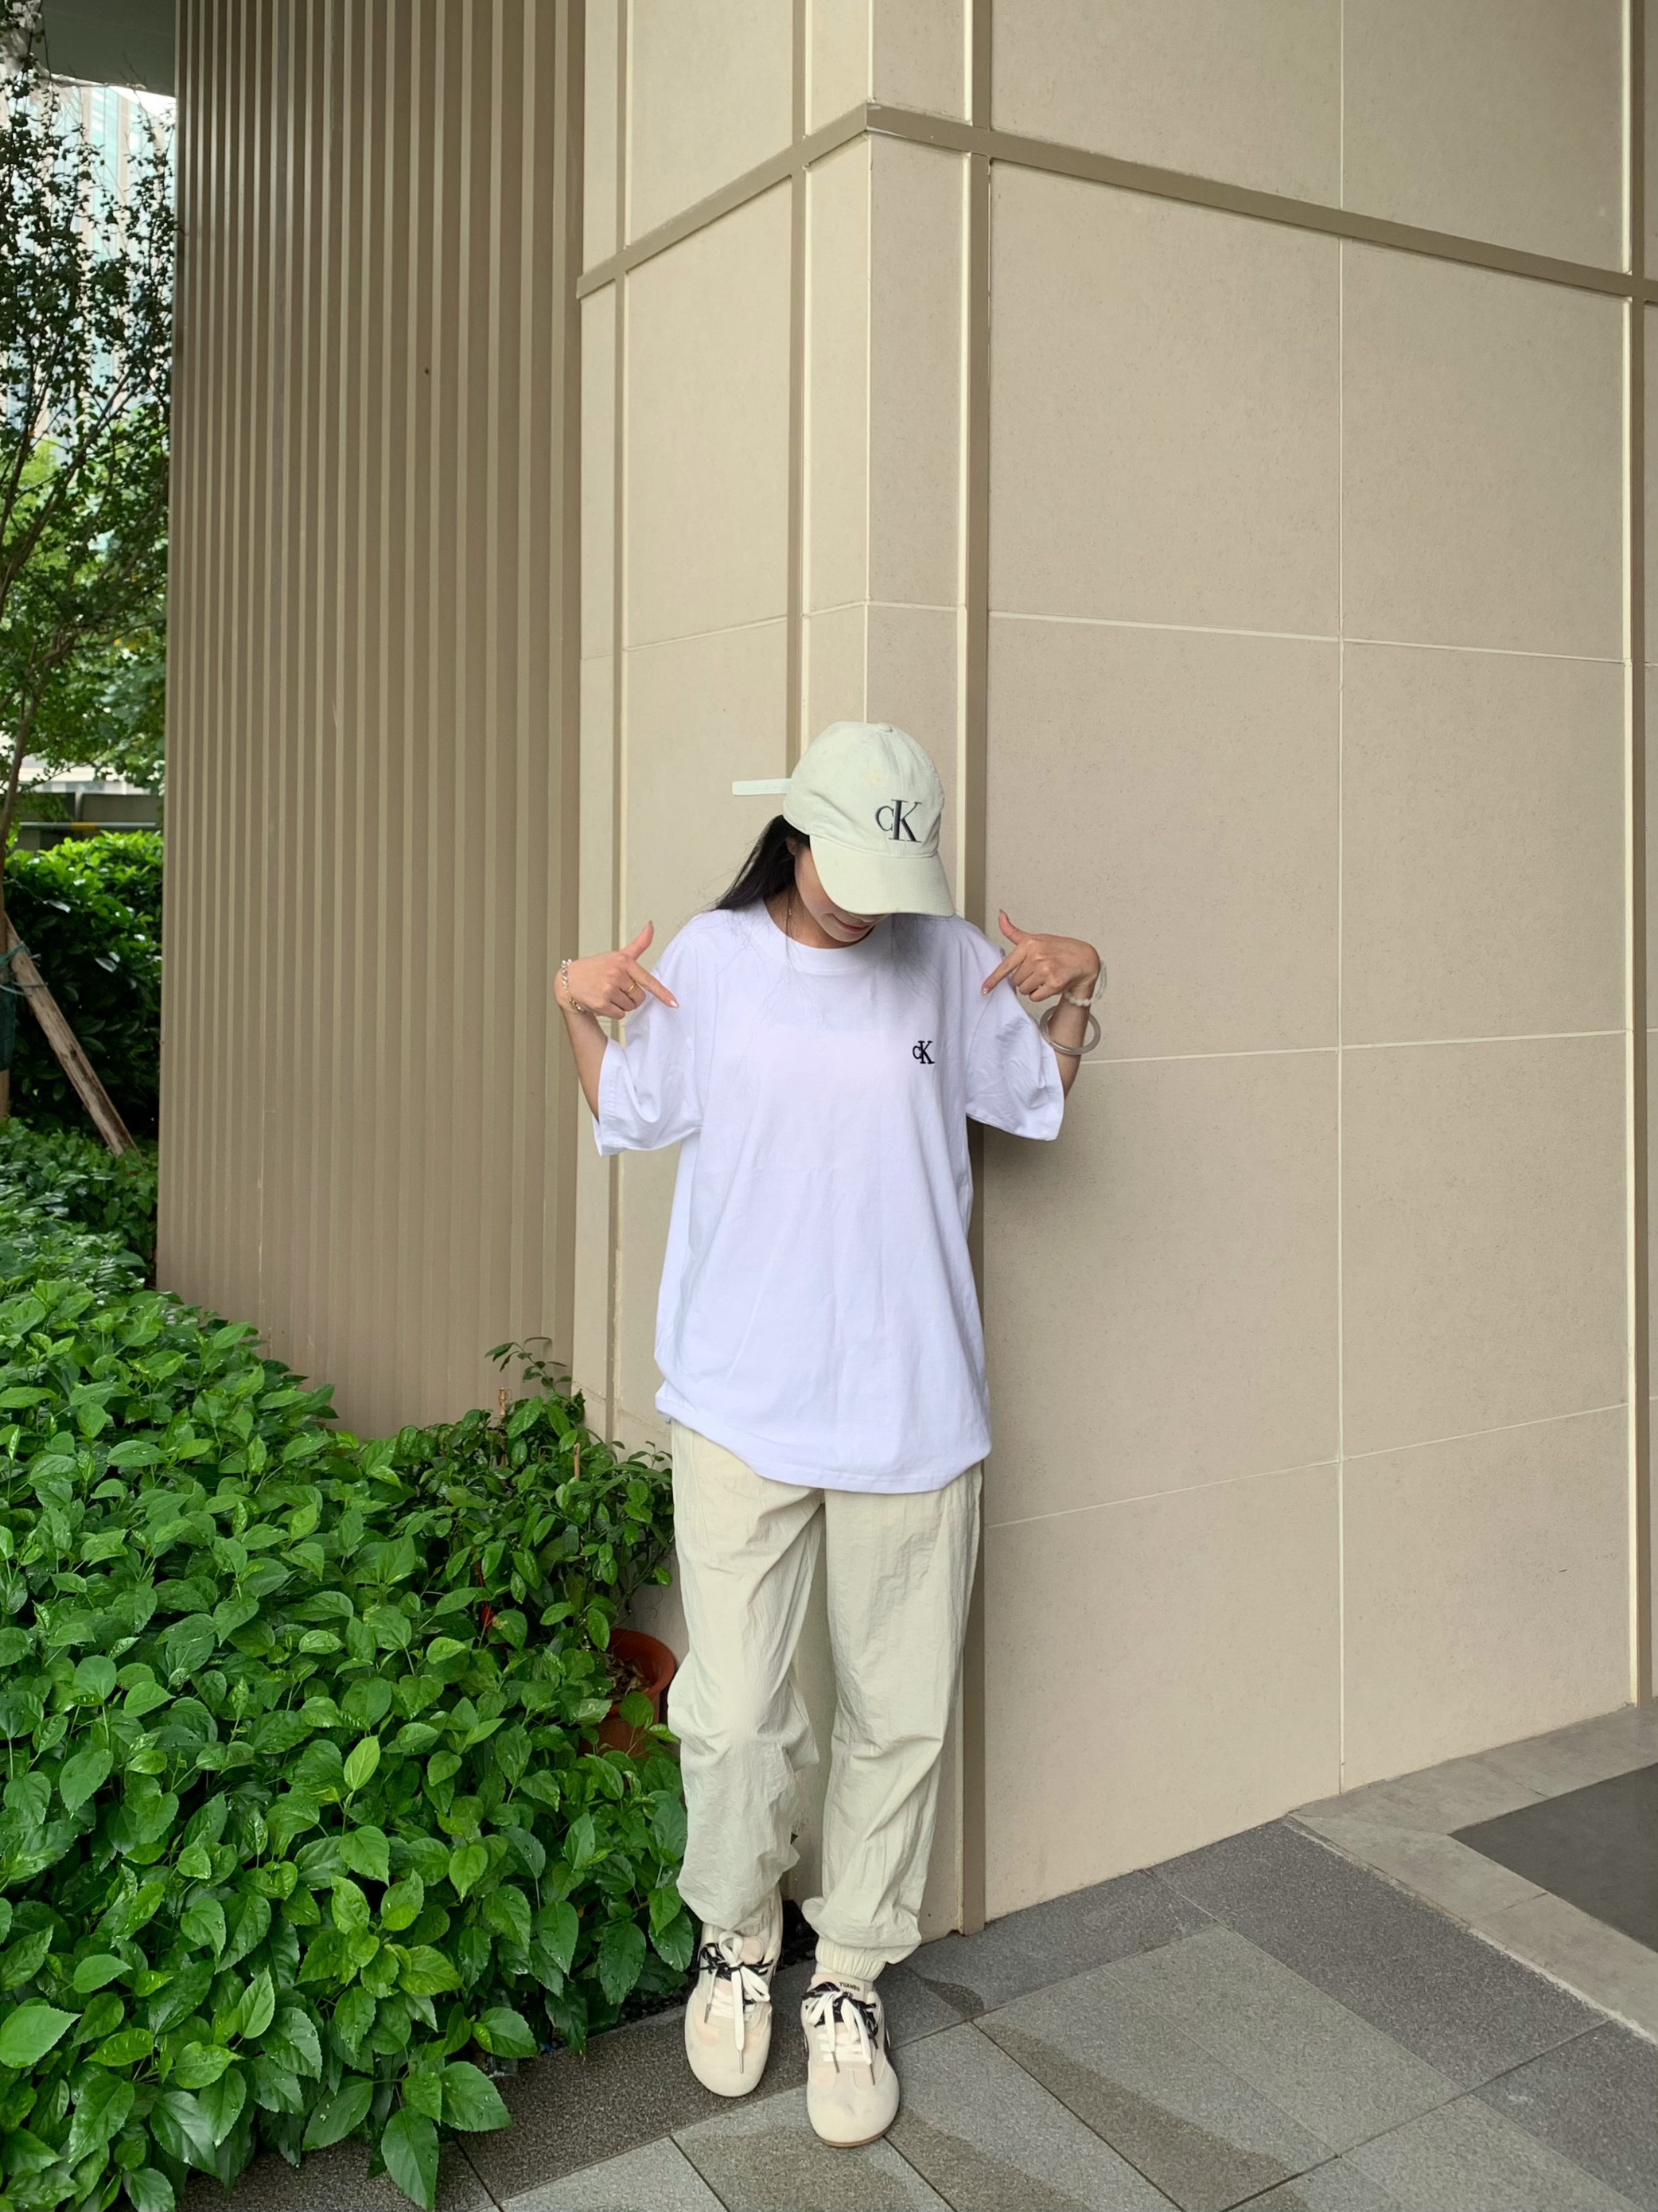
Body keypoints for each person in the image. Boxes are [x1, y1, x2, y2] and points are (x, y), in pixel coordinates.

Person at [553, 722, 1100, 2148]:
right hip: (740, 1402)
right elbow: (629, 1107)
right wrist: (574, 1007)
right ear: (793, 837)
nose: (868, 904)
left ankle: (848, 1974)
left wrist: (1080, 993)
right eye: (847, 869)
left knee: (897, 1716)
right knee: (737, 1714)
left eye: (890, 877)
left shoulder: (947, 959)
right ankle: (738, 1940)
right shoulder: (716, 963)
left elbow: (1038, 1099)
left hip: (913, 1406)